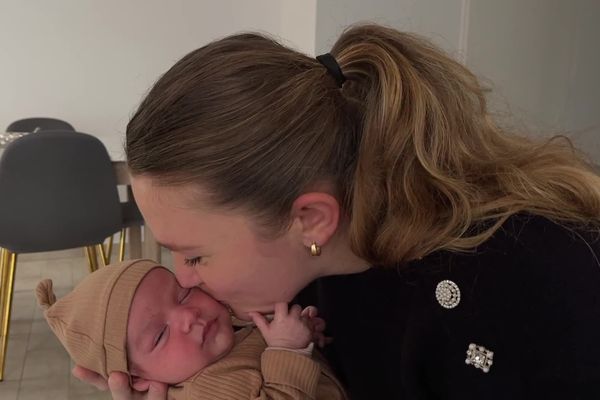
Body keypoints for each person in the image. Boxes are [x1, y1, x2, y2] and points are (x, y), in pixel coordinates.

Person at [74, 23, 600, 399]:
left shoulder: (548, 287)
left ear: (310, 220)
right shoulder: (296, 290)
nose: (184, 279)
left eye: (194, 256)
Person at [38, 259, 346, 399]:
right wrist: (288, 351)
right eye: (160, 335)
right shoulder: (203, 390)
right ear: (139, 379)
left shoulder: (230, 333)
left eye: (183, 294)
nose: (188, 316)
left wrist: (303, 340)